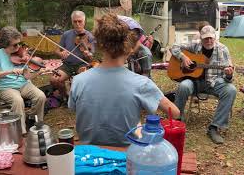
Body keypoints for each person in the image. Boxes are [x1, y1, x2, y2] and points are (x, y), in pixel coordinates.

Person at [68, 13, 180, 147]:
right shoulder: (142, 84)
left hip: (88, 155)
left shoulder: (79, 80)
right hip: (126, 157)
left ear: (99, 43)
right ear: (130, 47)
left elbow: (75, 109)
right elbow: (175, 113)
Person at [170, 25, 237, 144]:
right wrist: (183, 57)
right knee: (183, 86)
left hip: (214, 82)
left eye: (211, 38)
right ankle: (177, 120)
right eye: (206, 38)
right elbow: (173, 47)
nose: (209, 41)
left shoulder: (223, 49)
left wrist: (229, 75)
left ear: (215, 37)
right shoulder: (195, 45)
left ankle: (214, 127)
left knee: (231, 90)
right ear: (201, 39)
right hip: (194, 82)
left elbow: (228, 78)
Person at [0, 26, 46, 134]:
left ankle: (33, 119)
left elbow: (27, 77)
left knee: (40, 96)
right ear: (5, 44)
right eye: (15, 45)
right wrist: (10, 71)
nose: (18, 46)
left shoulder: (21, 54)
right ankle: (21, 131)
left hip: (24, 84)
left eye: (19, 43)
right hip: (7, 87)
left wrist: (38, 73)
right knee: (17, 100)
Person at [50, 10, 95, 98]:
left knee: (84, 79)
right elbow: (56, 50)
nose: (78, 24)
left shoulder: (90, 36)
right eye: (75, 22)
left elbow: (91, 59)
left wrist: (88, 55)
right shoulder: (66, 34)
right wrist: (61, 54)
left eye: (80, 21)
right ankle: (65, 96)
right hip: (67, 65)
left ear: (84, 22)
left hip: (82, 65)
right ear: (72, 22)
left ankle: (81, 98)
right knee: (54, 79)